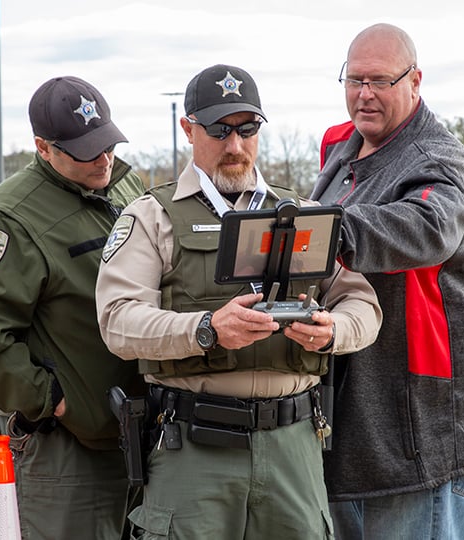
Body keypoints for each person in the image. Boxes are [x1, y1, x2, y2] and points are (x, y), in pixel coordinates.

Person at [95, 64, 382, 539]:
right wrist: (205, 329)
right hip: (193, 447)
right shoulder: (151, 216)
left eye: (247, 129)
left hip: (294, 446)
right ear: (188, 130)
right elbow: (118, 321)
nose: (235, 146)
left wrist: (335, 331)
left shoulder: (304, 214)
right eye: (218, 130)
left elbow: (363, 305)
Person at [310, 23, 464, 539]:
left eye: (379, 81)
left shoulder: (440, 161)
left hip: (425, 436)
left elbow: (429, 227)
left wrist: (324, 231)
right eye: (354, 80)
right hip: (355, 436)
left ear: (416, 81)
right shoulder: (341, 151)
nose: (364, 94)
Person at [0, 76, 146, 540]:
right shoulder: (9, 220)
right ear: (43, 147)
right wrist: (55, 402)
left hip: (139, 434)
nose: (103, 159)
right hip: (67, 451)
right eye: (84, 151)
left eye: (107, 143)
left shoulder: (124, 186)